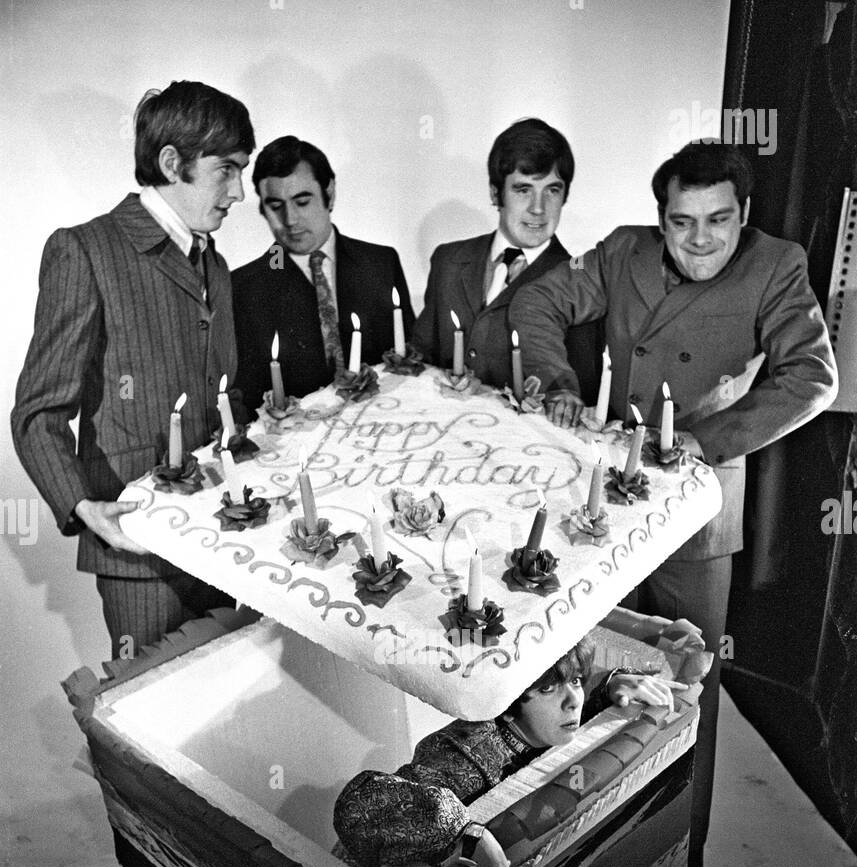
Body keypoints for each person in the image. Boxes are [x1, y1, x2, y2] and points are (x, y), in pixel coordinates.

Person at [510, 140, 838, 867]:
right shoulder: (623, 253)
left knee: (688, 683)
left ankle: (677, 850)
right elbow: (539, 301)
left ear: (742, 215)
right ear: (658, 219)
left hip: (698, 504)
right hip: (607, 505)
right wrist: (556, 378)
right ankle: (589, 845)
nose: (699, 240)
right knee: (591, 668)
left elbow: (813, 377)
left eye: (717, 220)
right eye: (681, 222)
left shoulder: (775, 265)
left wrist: (704, 440)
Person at [11, 80, 255, 659]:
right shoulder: (84, 251)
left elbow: (224, 391)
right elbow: (37, 413)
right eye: (227, 170)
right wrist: (81, 505)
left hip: (223, 542)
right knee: (145, 729)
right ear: (172, 163)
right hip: (138, 553)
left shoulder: (213, 263)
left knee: (217, 714)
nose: (239, 192)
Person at [334, 634, 683, 867]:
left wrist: (611, 684)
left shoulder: (547, 716)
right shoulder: (462, 756)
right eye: (548, 689)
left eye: (576, 681)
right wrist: (472, 835)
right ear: (508, 701)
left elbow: (560, 701)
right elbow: (357, 803)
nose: (572, 701)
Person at [410, 117, 602, 396]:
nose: (538, 208)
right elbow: (420, 358)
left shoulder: (579, 283)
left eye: (552, 190)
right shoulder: (448, 260)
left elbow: (576, 398)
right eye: (523, 190)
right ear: (496, 193)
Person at [231, 137, 414, 412]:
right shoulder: (243, 287)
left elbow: (409, 364)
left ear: (330, 192)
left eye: (302, 201)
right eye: (275, 206)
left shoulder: (380, 263)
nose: (290, 220)